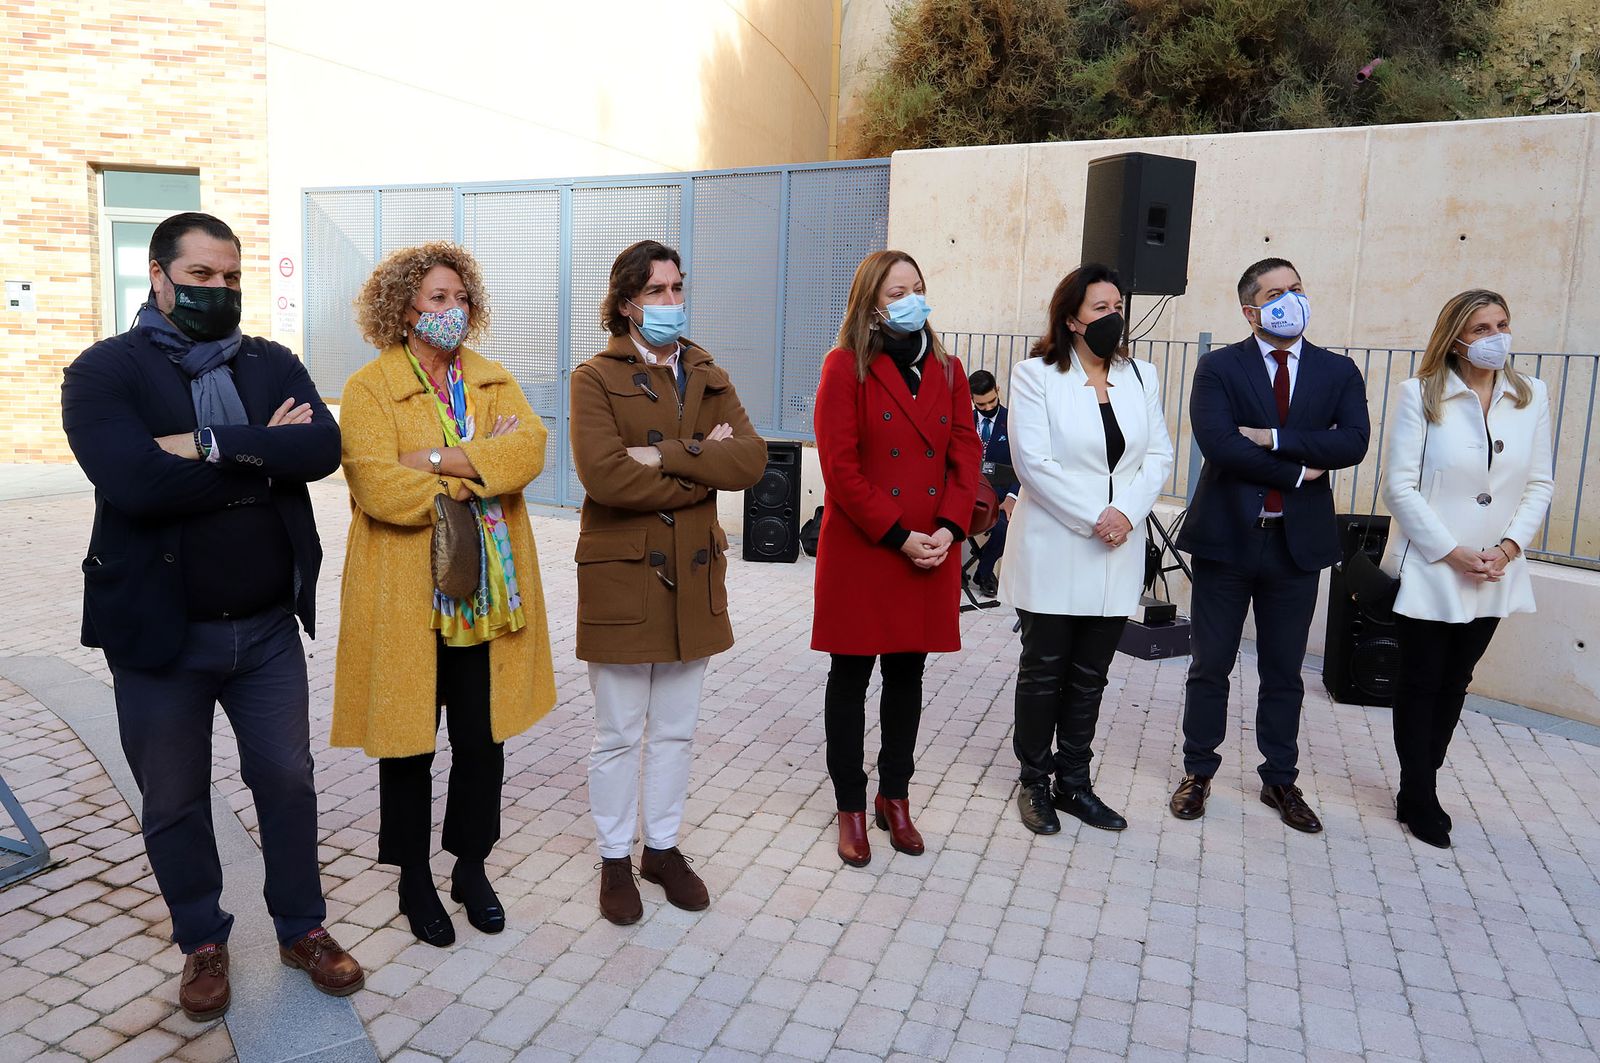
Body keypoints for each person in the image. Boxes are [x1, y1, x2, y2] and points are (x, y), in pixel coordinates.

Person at [61, 212, 362, 1021]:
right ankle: (201, 938)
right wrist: (259, 451)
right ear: (158, 276)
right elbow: (134, 485)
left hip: (265, 630)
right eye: (201, 277)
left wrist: (200, 443)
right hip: (160, 638)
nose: (219, 291)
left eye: (230, 278)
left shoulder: (268, 362)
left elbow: (322, 450)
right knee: (173, 798)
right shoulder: (102, 372)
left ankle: (303, 926)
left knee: (289, 782)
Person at [333, 242, 556, 947]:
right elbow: (377, 484)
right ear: (403, 310)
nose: (452, 310)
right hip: (408, 596)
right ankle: (413, 878)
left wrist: (432, 461)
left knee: (481, 742)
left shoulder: (491, 379)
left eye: (460, 298)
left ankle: (470, 865)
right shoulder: (371, 388)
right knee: (408, 748)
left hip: (487, 594)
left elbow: (531, 451)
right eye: (436, 298)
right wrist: (479, 466)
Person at [571, 239, 767, 925]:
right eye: (656, 291)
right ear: (626, 301)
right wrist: (700, 463)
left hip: (694, 573)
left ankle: (663, 847)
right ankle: (615, 858)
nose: (670, 302)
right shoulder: (593, 377)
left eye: (677, 288)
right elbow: (605, 476)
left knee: (677, 730)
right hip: (624, 579)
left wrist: (663, 454)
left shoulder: (706, 369)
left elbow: (748, 461)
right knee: (620, 730)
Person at [1170, 257, 1370, 833]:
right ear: (1250, 309)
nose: (1291, 299)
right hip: (1227, 541)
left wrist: (1278, 438)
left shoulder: (1338, 372)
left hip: (1296, 548)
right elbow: (1220, 444)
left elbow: (1353, 441)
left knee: (1285, 672)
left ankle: (1280, 778)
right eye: (1276, 292)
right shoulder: (1218, 368)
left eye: (1297, 288)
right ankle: (1198, 771)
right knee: (1211, 665)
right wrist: (1298, 469)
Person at [812, 250, 982, 867]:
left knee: (908, 678)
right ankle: (851, 807)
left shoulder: (949, 368)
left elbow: (966, 453)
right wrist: (897, 535)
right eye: (895, 291)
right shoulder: (844, 367)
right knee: (850, 681)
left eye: (917, 287)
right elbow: (840, 466)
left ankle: (896, 797)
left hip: (930, 549)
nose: (910, 299)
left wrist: (948, 527)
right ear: (871, 303)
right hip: (868, 549)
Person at [1003, 264, 1174, 835]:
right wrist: (1092, 516)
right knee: (1044, 669)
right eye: (1101, 308)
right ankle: (1034, 781)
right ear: (1071, 317)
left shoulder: (1142, 375)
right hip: (1056, 542)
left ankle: (1075, 781)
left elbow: (1158, 458)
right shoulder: (1035, 376)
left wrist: (1125, 513)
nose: (1114, 317)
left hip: (1116, 547)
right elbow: (1033, 462)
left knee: (1091, 674)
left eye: (1118, 306)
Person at [1379, 289, 1553, 848]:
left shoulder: (1532, 396)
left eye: (1502, 324)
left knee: (1457, 678)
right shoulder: (1420, 395)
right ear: (1455, 337)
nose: (1495, 336)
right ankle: (1418, 791)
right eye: (1481, 328)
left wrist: (1508, 547)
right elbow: (1400, 487)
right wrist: (1451, 551)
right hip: (1434, 565)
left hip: (1495, 568)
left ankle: (1423, 778)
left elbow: (1539, 483)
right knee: (1423, 678)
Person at [968, 369, 1016, 598]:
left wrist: (1012, 498)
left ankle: (983, 572)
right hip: (969, 495)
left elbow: (1024, 465)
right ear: (972, 399)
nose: (987, 408)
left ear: (998, 391)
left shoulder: (1014, 421)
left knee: (1005, 529)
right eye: (981, 404)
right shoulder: (964, 423)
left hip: (1001, 498)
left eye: (991, 401)